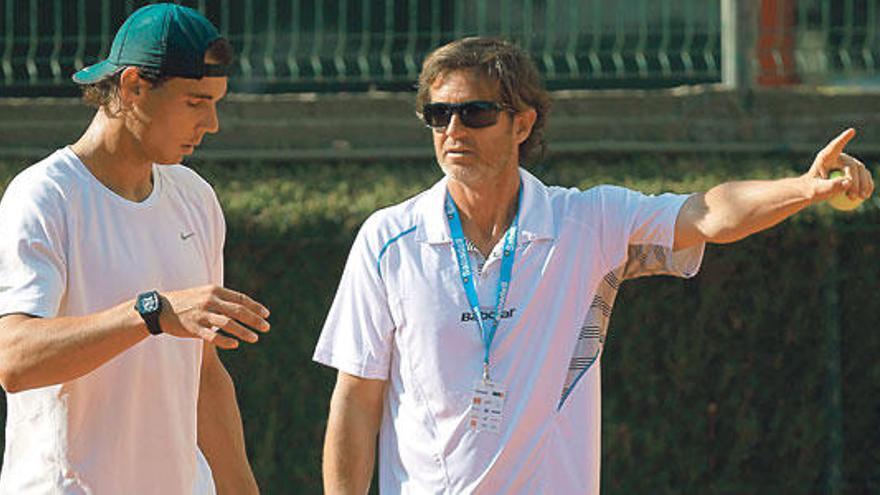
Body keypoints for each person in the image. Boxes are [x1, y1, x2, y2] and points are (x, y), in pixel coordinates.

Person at [313, 37, 874, 494]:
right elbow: (356, 399)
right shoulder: (387, 239)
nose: (454, 131)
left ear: (523, 124)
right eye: (439, 115)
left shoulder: (587, 221)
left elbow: (709, 213)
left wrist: (803, 188)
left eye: (476, 112)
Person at [0, 4, 270, 494]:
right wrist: (151, 313)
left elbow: (205, 375)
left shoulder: (195, 198)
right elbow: (14, 359)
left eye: (216, 102)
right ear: (132, 87)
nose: (211, 123)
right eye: (194, 102)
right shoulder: (44, 196)